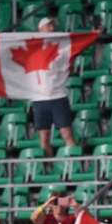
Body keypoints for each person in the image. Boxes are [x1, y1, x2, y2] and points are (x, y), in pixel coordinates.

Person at [32, 17, 75, 156]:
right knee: (43, 138)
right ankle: (48, 169)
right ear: (40, 30)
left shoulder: (61, 48)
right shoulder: (32, 49)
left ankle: (75, 166)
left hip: (58, 96)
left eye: (52, 26)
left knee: (66, 134)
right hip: (39, 98)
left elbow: (70, 68)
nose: (51, 28)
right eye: (48, 26)